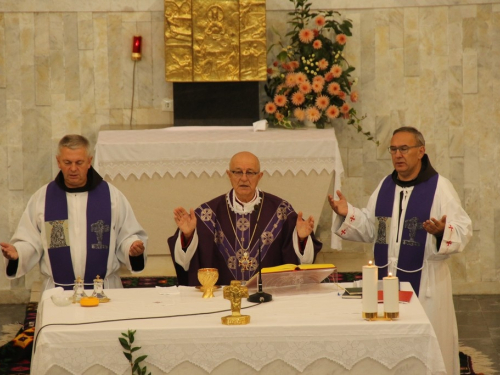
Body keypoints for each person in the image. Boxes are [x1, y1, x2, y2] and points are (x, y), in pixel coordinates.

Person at [328, 126, 472, 375]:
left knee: (427, 350)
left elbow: (463, 230)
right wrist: (347, 212)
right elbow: (373, 229)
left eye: (404, 149)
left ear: (421, 151)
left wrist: (441, 232)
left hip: (427, 284)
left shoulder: (440, 188)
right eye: (393, 149)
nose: (398, 155)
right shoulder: (386, 186)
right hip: (387, 280)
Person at [1, 134, 147, 291]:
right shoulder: (43, 199)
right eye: (67, 162)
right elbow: (29, 240)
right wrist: (18, 253)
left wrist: (132, 248)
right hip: (58, 293)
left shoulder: (112, 197)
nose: (73, 168)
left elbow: (126, 236)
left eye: (79, 162)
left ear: (89, 162)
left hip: (104, 291)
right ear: (58, 162)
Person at [168, 151, 322, 286]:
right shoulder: (207, 213)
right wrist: (188, 236)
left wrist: (301, 239)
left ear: (259, 176)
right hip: (221, 296)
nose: (243, 178)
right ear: (229, 175)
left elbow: (301, 263)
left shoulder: (281, 211)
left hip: (269, 293)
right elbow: (185, 263)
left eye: (250, 172)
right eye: (237, 172)